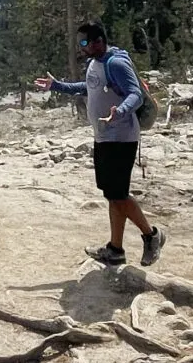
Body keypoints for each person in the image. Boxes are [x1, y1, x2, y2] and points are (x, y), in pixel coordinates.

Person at [35, 21, 164, 268]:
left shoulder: (116, 63)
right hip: (104, 137)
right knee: (113, 195)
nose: (81, 47)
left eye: (84, 42)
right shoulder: (96, 63)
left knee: (119, 195)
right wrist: (57, 86)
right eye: (80, 43)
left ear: (98, 41)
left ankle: (152, 235)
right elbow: (90, 87)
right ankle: (115, 249)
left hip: (122, 138)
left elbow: (135, 94)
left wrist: (120, 111)